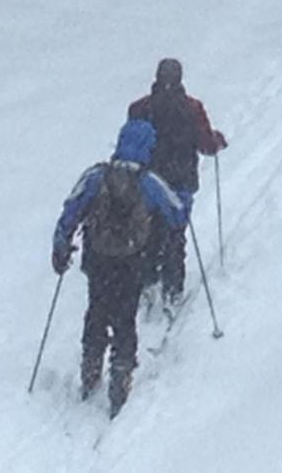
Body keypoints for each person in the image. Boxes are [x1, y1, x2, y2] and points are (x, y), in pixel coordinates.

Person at [52, 119, 187, 418]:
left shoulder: (96, 176)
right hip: (131, 261)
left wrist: (61, 246)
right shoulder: (149, 182)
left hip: (98, 259)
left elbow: (71, 209)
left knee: (97, 308)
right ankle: (121, 376)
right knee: (125, 316)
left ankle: (90, 367)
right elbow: (177, 213)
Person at [128, 58, 227, 305]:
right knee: (175, 234)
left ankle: (148, 279)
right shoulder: (192, 108)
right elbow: (205, 144)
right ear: (180, 78)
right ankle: (173, 288)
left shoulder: (139, 108)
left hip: (146, 181)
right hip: (180, 181)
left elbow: (131, 141)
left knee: (148, 230)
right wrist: (217, 141)